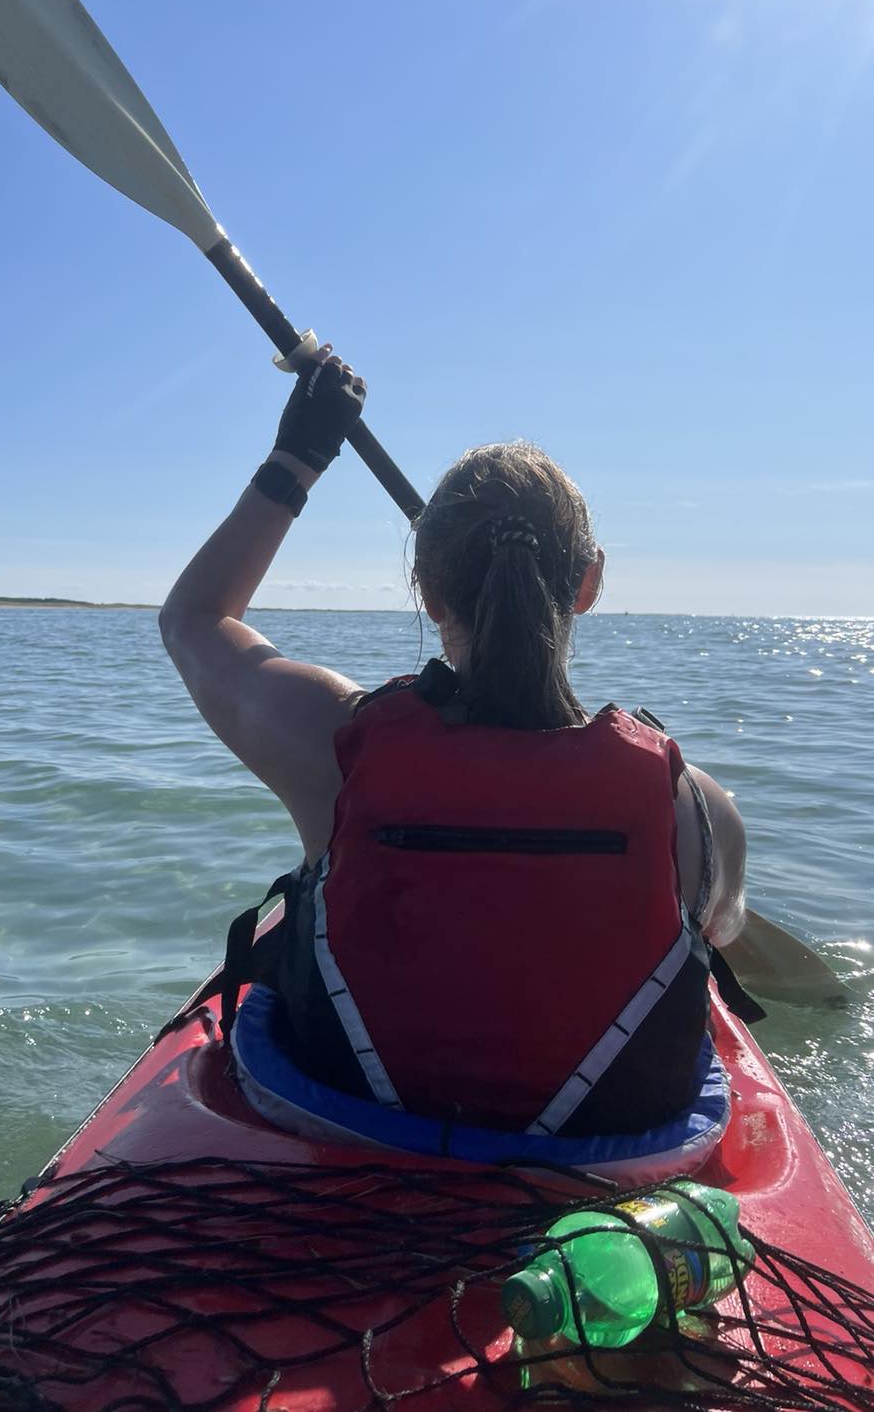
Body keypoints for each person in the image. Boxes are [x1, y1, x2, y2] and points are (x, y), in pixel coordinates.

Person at [160, 349, 747, 1146]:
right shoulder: (701, 812)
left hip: (345, 1134)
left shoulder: (335, 743)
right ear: (588, 584)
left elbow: (193, 619)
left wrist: (298, 456)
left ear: (429, 592)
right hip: (604, 1175)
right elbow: (717, 932)